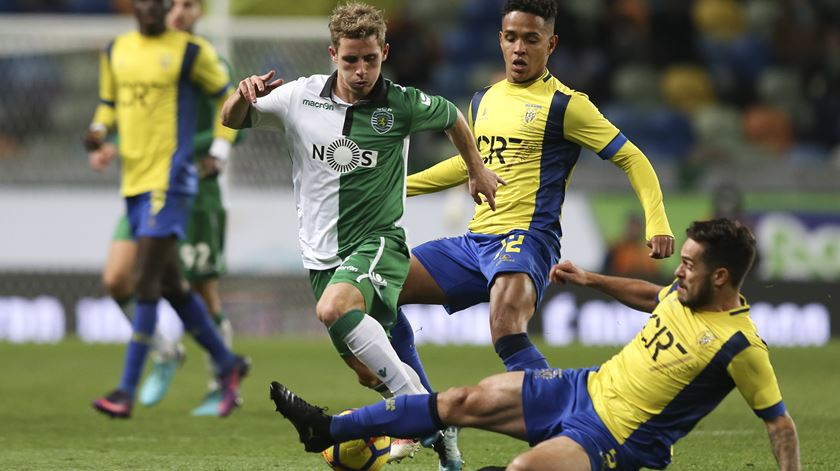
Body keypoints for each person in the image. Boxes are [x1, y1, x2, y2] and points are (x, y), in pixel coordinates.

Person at [270, 218, 801, 471]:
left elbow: (779, 424)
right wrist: (593, 280)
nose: (678, 272)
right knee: (462, 400)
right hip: (582, 388)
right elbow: (651, 293)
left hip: (614, 439)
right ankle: (324, 428)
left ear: (722, 276)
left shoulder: (741, 346)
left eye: (688, 265)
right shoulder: (684, 296)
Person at [220, 2, 500, 465]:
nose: (361, 69)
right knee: (369, 374)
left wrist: (476, 170)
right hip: (320, 257)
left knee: (332, 308)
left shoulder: (402, 104)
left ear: (384, 52)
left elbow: (452, 115)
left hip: (377, 244)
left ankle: (427, 414)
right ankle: (440, 433)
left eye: (370, 59)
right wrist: (241, 93)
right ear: (333, 54)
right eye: (350, 59)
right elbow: (231, 119)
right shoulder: (298, 98)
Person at [390, 0, 674, 380]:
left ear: (551, 44)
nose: (519, 48)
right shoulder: (484, 99)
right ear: (500, 40)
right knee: (383, 289)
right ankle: (421, 412)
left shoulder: (567, 106)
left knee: (505, 324)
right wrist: (395, 188)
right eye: (511, 38)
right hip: (476, 242)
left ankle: (566, 420)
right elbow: (470, 165)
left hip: (527, 238)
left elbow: (633, 159)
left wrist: (657, 222)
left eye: (531, 39)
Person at [85, 0, 248, 419]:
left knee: (148, 280)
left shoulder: (194, 52)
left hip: (174, 181)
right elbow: (111, 105)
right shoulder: (116, 51)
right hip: (135, 183)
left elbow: (231, 101)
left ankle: (125, 390)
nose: (164, 8)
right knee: (172, 285)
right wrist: (101, 131)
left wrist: (217, 150)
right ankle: (228, 364)